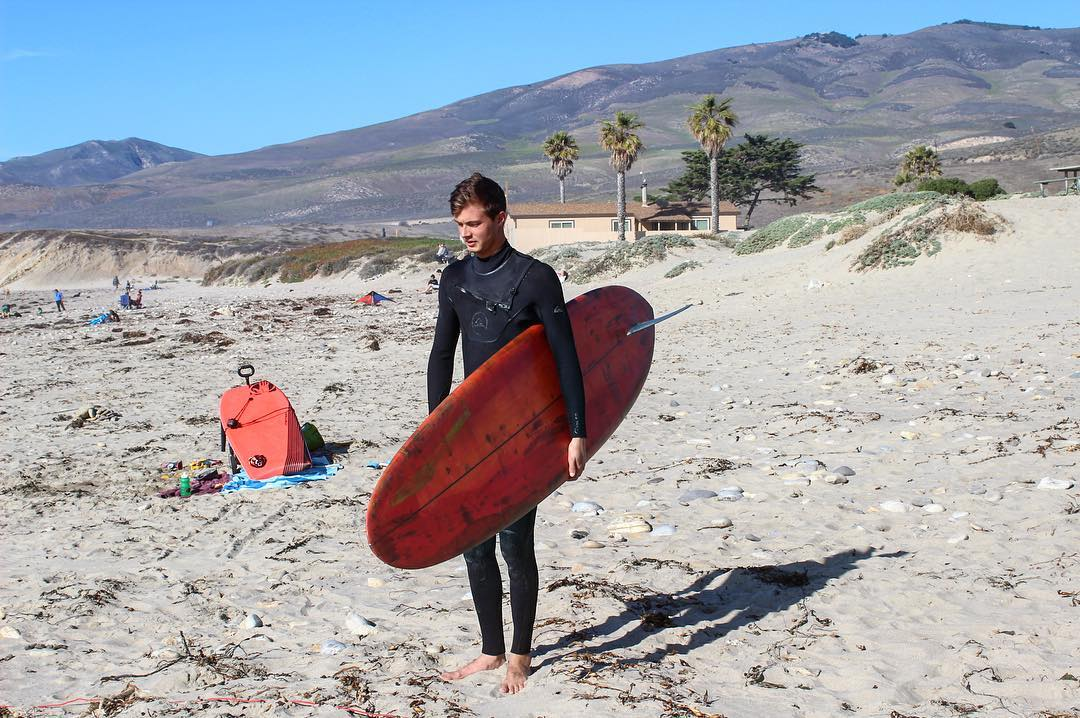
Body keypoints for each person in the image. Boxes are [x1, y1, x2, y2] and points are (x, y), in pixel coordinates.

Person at [427, 173, 588, 694]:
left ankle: (520, 655)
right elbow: (441, 356)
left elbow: (567, 359)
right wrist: (436, 431)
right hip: (471, 435)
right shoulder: (453, 279)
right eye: (459, 225)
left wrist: (577, 432)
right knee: (474, 547)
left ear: (500, 216)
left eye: (474, 223)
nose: (466, 234)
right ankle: (490, 650)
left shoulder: (537, 278)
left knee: (516, 546)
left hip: (525, 435)